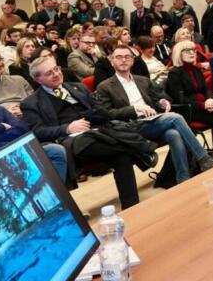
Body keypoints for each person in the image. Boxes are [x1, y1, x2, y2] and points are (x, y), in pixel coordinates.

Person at [21, 55, 153, 208]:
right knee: (113, 141)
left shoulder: (78, 87)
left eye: (56, 69)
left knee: (121, 155)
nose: (56, 74)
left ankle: (131, 206)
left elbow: (102, 111)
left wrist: (92, 115)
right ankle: (143, 148)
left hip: (97, 131)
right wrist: (67, 128)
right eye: (49, 73)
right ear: (38, 79)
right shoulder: (31, 103)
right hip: (71, 140)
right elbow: (38, 131)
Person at [94, 45, 213, 184]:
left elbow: (159, 98)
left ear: (133, 61)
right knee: (175, 118)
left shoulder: (143, 80)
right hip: (128, 127)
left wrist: (162, 102)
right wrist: (134, 109)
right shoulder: (105, 86)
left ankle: (183, 179)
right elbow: (107, 114)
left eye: (127, 57)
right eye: (119, 57)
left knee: (174, 134)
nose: (123, 60)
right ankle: (203, 158)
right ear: (112, 62)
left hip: (150, 122)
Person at [0, 70, 67, 178]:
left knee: (55, 151)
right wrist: (2, 126)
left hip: (14, 151)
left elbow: (21, 129)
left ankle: (55, 189)